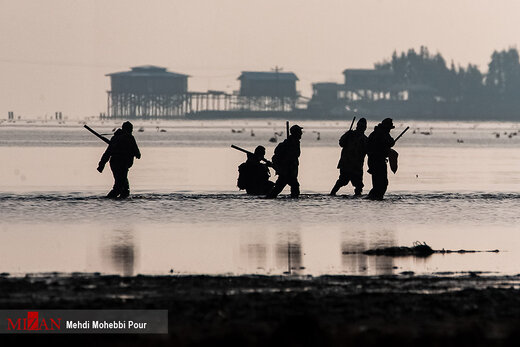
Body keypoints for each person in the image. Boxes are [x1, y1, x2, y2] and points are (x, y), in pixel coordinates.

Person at [97, 121, 141, 199]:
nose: (132, 131)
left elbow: (107, 153)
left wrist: (101, 165)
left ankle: (120, 203)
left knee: (124, 189)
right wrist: (136, 154)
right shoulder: (130, 137)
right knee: (119, 187)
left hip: (114, 163)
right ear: (129, 129)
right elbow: (138, 153)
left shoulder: (115, 137)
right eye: (131, 129)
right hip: (122, 164)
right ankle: (107, 200)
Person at [330, 118, 368, 196]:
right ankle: (332, 194)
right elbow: (341, 143)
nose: (361, 128)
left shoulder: (365, 140)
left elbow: (370, 152)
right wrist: (346, 135)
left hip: (356, 166)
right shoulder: (350, 135)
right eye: (360, 126)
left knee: (358, 184)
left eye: (362, 126)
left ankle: (333, 194)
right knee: (343, 181)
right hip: (347, 164)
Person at [267, 124, 303, 199]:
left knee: (278, 189)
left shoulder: (294, 143)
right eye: (299, 132)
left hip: (289, 171)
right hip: (287, 171)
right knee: (294, 187)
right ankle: (294, 199)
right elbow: (289, 157)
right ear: (296, 133)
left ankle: (270, 197)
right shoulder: (289, 144)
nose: (301, 134)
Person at [366, 118, 395, 200]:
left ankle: (374, 197)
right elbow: (390, 142)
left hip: (372, 161)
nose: (389, 130)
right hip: (378, 162)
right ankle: (375, 198)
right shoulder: (383, 134)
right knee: (382, 183)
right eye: (389, 128)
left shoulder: (374, 133)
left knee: (377, 183)